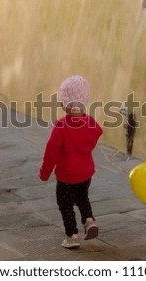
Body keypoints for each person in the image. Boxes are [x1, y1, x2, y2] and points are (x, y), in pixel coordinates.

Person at [39, 75, 103, 249]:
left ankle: (72, 236)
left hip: (66, 176)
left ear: (63, 104)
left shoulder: (61, 126)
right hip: (85, 173)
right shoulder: (91, 123)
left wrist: (44, 173)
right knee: (83, 198)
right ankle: (89, 221)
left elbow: (50, 153)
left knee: (66, 205)